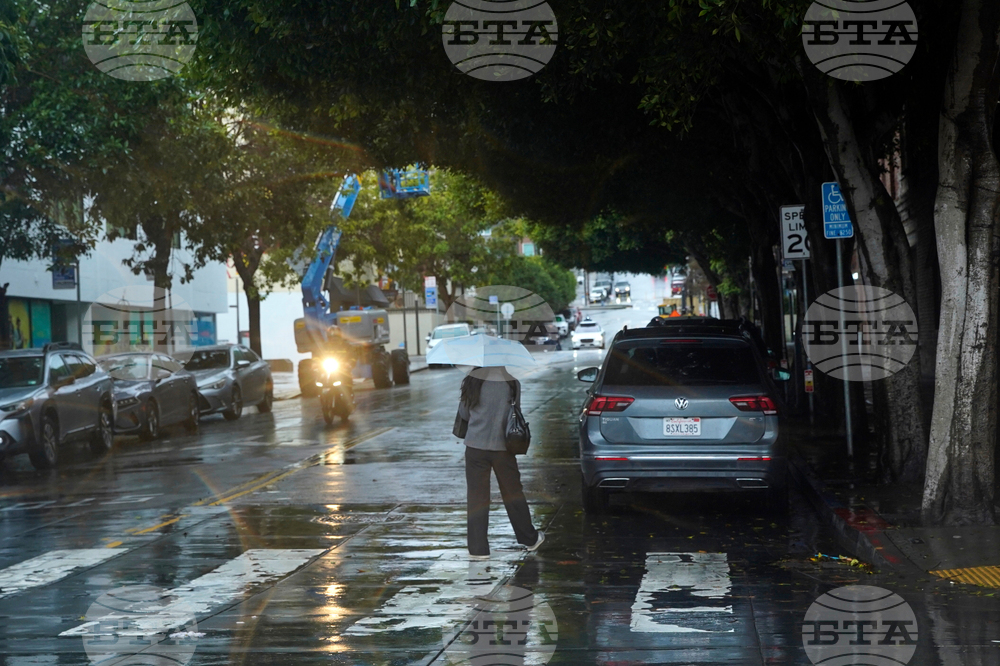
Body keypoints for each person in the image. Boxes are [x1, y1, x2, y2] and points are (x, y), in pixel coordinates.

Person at [457, 366, 543, 559]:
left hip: (475, 448)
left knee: (477, 497)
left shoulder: (472, 380)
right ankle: (529, 539)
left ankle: (478, 549)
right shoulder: (512, 383)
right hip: (503, 448)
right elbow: (515, 412)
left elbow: (464, 413)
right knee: (513, 493)